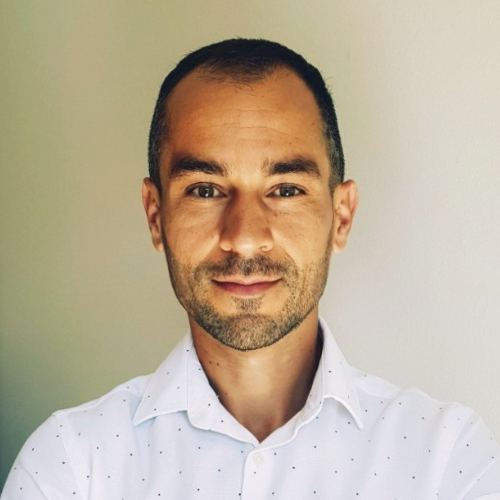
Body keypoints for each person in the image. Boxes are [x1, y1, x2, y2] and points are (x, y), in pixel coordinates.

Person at [2, 38, 499, 500]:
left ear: (341, 217)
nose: (243, 236)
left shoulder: (448, 460)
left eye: (286, 190)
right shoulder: (70, 465)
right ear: (156, 216)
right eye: (204, 190)